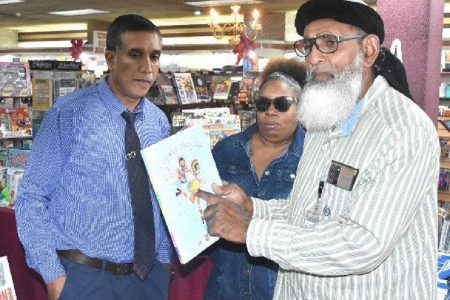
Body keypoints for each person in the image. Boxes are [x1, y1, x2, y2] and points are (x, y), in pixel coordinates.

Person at [198, 0, 440, 299]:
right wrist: (253, 207)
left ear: (369, 50)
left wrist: (251, 231)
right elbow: (308, 208)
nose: (313, 58)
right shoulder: (324, 117)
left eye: (329, 43)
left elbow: (363, 243)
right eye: (309, 45)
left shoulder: (401, 129)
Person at [15, 14, 172, 300]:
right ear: (110, 58)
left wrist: (162, 263)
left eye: (155, 56)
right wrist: (54, 276)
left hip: (148, 281)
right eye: (135, 54)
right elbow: (32, 197)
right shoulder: (70, 113)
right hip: (83, 278)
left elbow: (158, 198)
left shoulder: (158, 122)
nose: (147, 67)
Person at [205, 57, 306, 300]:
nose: (271, 112)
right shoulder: (226, 150)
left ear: (301, 107)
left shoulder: (312, 157)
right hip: (226, 287)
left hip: (283, 291)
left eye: (282, 104)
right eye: (263, 104)